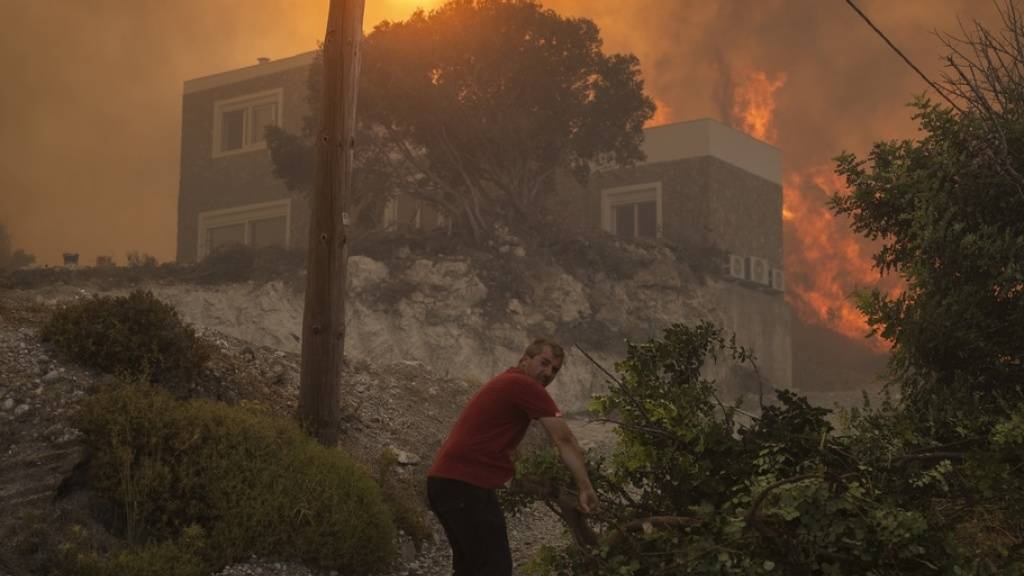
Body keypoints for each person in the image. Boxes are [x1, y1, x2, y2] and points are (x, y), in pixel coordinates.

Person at [426, 338, 599, 576]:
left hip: (446, 482)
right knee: (494, 568)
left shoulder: (508, 382)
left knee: (470, 568)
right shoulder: (524, 385)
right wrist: (585, 486)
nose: (548, 373)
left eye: (554, 370)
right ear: (524, 360)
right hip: (465, 485)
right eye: (544, 363)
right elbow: (564, 439)